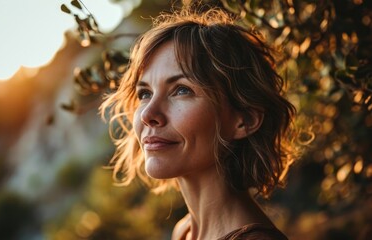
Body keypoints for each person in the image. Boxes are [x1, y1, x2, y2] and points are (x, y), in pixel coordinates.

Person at [100, 5, 300, 240]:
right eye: (144, 93)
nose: (147, 114)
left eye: (181, 90)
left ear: (244, 119)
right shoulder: (185, 232)